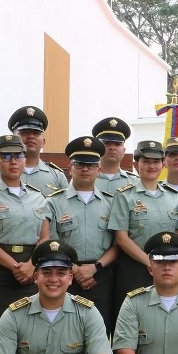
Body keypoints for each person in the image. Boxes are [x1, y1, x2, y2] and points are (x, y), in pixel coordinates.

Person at [46, 136, 118, 331]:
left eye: (91, 165)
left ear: (99, 169)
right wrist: (75, 270)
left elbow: (117, 245)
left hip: (100, 276)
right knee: (64, 331)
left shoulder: (112, 203)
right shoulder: (54, 202)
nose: (85, 169)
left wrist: (94, 268)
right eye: (80, 164)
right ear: (70, 168)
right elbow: (51, 242)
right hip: (64, 275)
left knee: (99, 331)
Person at [108, 140, 178, 317]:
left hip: (168, 267)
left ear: (163, 164)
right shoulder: (124, 195)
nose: (152, 166)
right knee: (132, 318)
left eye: (156, 161)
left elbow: (177, 234)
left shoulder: (174, 197)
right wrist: (150, 262)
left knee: (165, 316)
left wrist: (162, 262)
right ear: (135, 165)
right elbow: (121, 238)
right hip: (135, 267)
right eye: (146, 161)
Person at [0, 135, 50, 337]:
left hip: (31, 269)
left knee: (30, 331)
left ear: (25, 159)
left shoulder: (38, 197)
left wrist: (30, 265)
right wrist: (14, 266)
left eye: (18, 156)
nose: (13, 161)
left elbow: (44, 237)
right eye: (6, 156)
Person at [0, 106, 68, 195]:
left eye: (36, 133)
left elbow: (65, 207)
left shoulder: (57, 176)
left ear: (43, 142)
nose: (31, 137)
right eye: (25, 132)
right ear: (13, 139)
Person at [92, 116, 139, 194]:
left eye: (117, 144)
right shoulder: (85, 180)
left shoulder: (136, 182)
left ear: (124, 150)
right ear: (98, 149)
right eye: (107, 143)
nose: (112, 148)